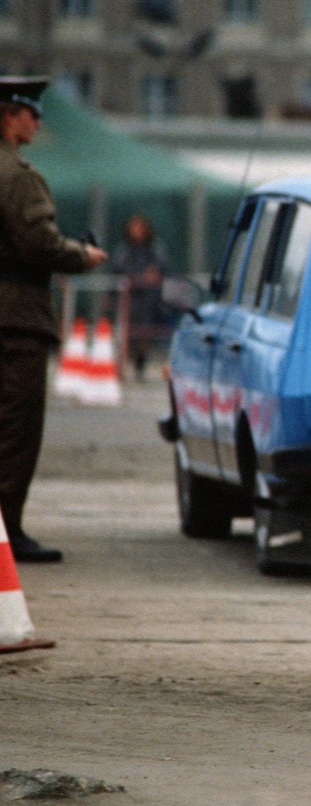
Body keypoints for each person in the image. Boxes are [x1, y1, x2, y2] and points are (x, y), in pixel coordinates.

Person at [0, 77, 108, 563]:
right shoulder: (17, 176)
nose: (38, 122)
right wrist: (81, 255)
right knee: (15, 430)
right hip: (14, 321)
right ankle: (7, 531)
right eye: (30, 112)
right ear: (8, 115)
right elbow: (38, 244)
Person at [110, 212, 171, 382]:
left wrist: (152, 277)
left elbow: (161, 269)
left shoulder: (155, 248)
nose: (136, 231)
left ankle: (140, 362)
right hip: (129, 298)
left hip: (149, 299)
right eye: (133, 227)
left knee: (145, 332)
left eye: (140, 227)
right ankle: (125, 363)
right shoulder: (124, 250)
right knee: (126, 331)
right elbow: (117, 270)